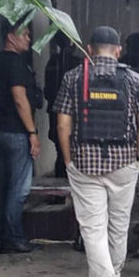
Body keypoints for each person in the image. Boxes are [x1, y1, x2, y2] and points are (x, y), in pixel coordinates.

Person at [54, 26, 139, 277]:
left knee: (92, 229)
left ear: (89, 48)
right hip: (124, 163)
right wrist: (138, 154)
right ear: (118, 50)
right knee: (119, 225)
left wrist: (67, 159)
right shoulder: (134, 79)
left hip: (84, 163)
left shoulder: (73, 77)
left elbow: (63, 125)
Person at [0, 17, 43, 254]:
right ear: (10, 36)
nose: (29, 38)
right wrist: (32, 133)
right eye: (25, 34)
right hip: (16, 131)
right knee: (18, 188)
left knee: (2, 185)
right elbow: (20, 99)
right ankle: (13, 237)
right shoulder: (15, 63)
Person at [44, 31, 81, 178]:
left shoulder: (52, 62)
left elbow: (48, 90)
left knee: (61, 150)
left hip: (55, 111)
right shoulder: (79, 64)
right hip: (75, 114)